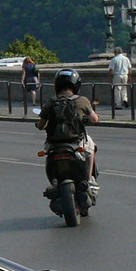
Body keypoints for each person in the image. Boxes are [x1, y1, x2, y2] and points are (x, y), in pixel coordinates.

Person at [36, 68, 100, 210]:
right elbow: (95, 119)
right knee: (91, 149)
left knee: (47, 155)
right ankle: (89, 181)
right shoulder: (82, 101)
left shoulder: (50, 102)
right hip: (75, 143)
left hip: (53, 144)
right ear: (76, 85)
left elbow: (41, 125)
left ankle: (54, 181)